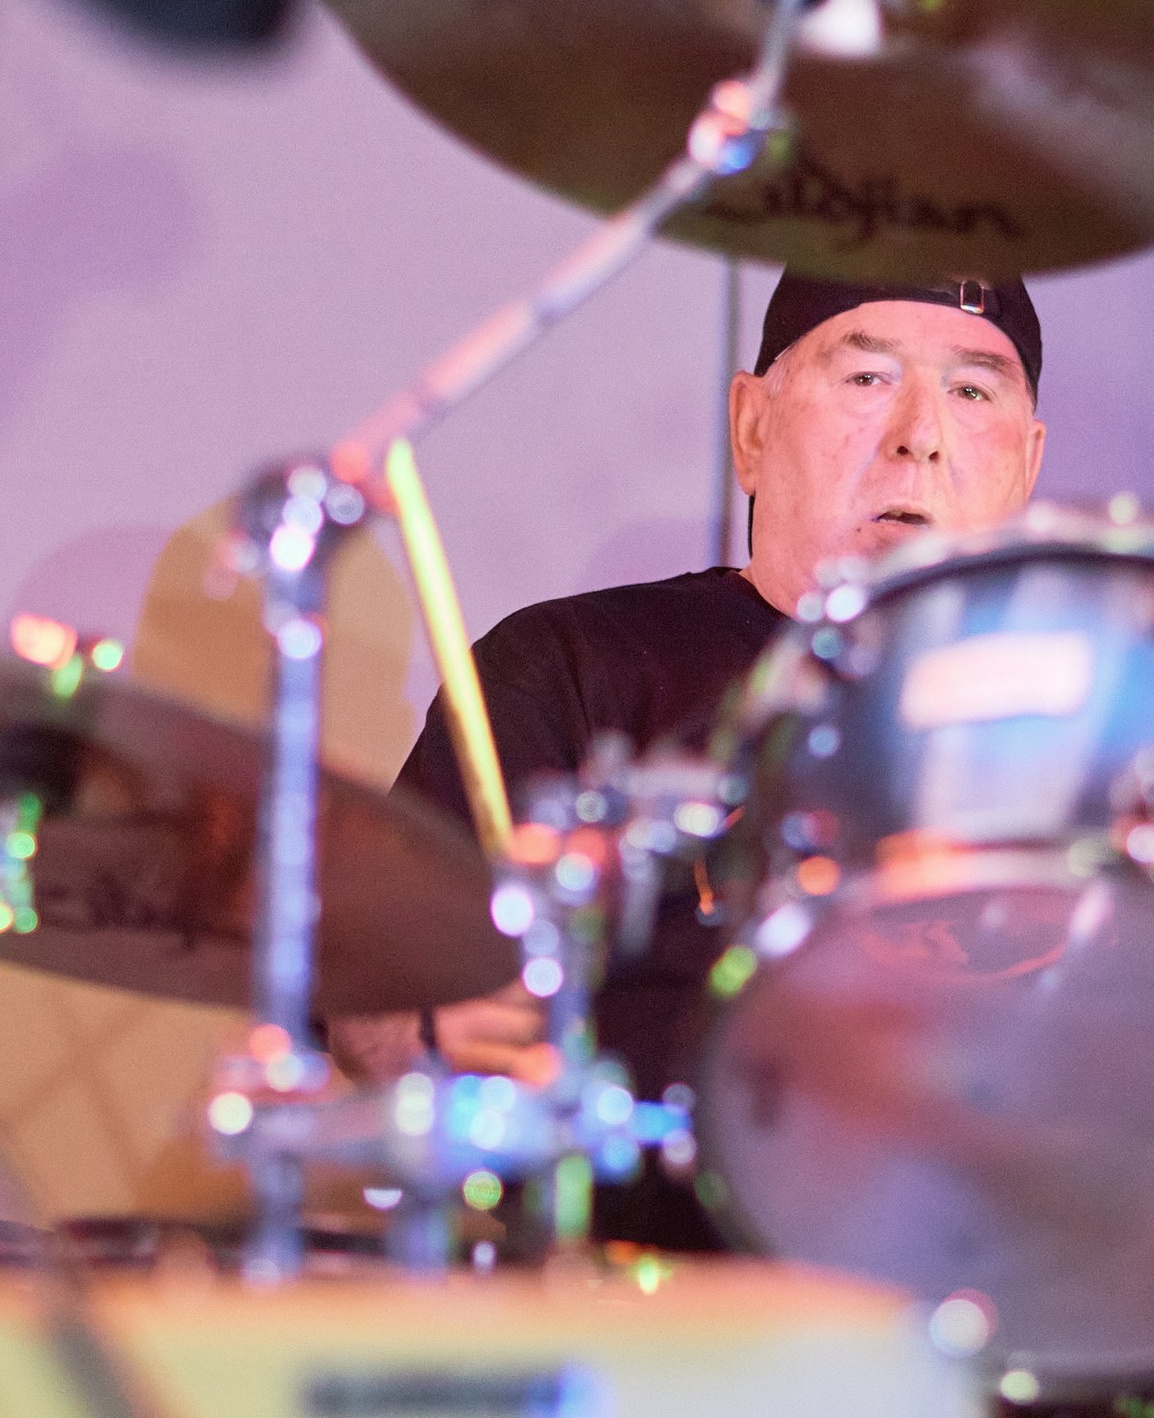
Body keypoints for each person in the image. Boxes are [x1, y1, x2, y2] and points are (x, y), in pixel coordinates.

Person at [331, 271, 1047, 1246]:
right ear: (752, 427)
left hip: (992, 1290)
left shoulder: (1091, 733)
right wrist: (427, 1034)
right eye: (868, 378)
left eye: (971, 390)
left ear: (1027, 462)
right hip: (632, 1285)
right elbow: (375, 1000)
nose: (919, 435)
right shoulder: (574, 667)